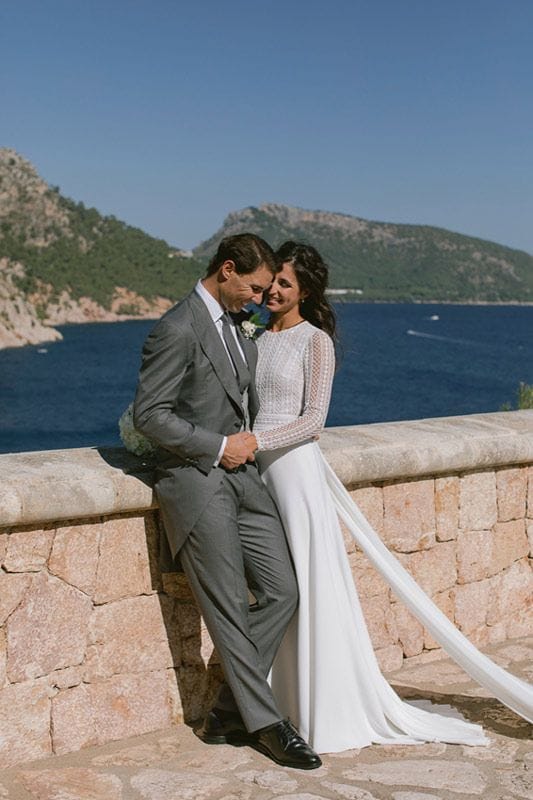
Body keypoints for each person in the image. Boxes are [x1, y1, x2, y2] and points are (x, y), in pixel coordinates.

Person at [248, 240, 533, 753]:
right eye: (272, 281)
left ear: (305, 292)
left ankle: (320, 705)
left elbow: (314, 421)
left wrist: (256, 441)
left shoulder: (315, 342)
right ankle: (274, 699)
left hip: (293, 472)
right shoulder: (254, 336)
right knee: (274, 585)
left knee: (307, 586)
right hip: (255, 473)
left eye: (284, 284)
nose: (272, 290)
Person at [133, 233, 321, 770]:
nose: (261, 300)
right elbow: (151, 414)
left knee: (284, 591)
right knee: (230, 610)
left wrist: (242, 448)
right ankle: (266, 723)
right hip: (196, 482)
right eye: (256, 288)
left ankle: (225, 710)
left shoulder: (241, 328)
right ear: (229, 270)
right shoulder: (175, 327)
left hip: (246, 481)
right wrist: (218, 446)